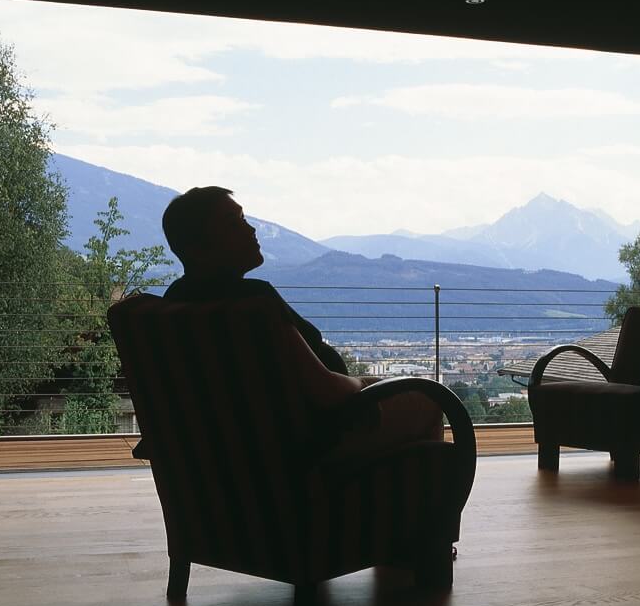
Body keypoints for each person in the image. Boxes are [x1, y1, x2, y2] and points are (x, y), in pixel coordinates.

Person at [161, 186, 443, 457]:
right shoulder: (254, 303)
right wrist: (363, 383)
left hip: (242, 448)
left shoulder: (173, 305)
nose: (250, 229)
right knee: (430, 400)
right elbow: (326, 390)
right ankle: (416, 504)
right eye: (234, 223)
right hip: (312, 442)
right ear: (198, 247)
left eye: (244, 219)